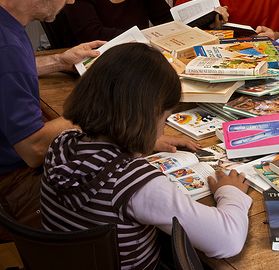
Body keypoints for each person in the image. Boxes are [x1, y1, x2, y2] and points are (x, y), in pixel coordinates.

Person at [40, 43, 252, 269]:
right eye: (165, 117)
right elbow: (227, 240)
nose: (162, 128)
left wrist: (143, 141)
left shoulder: (62, 144)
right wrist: (231, 193)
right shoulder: (136, 183)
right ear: (149, 116)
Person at [0, 0, 106, 236]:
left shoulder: (7, 22)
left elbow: (10, 73)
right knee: (114, 201)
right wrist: (98, 107)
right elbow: (33, 148)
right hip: (11, 182)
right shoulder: (5, 46)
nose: (72, 1)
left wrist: (60, 60)